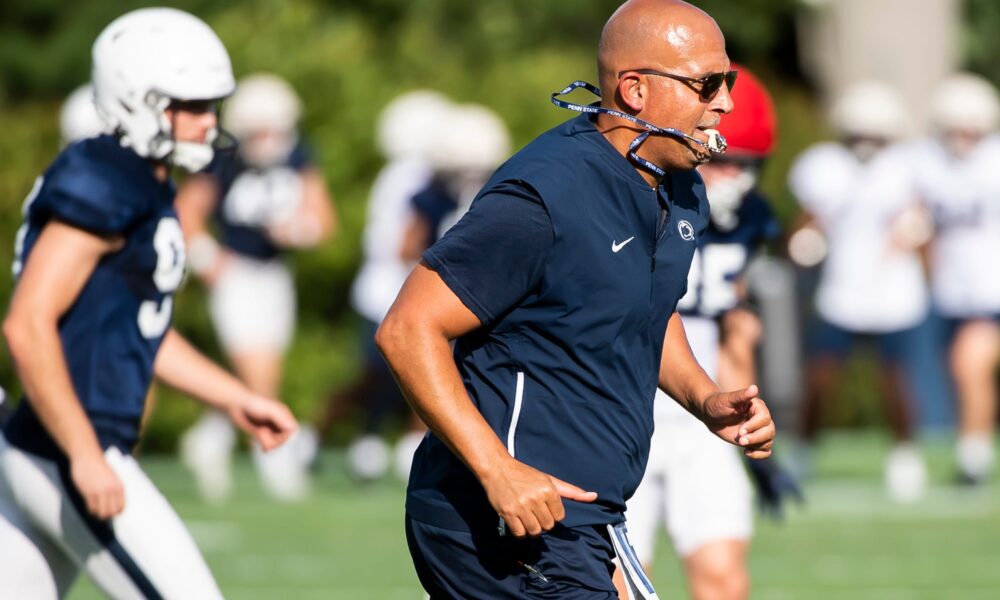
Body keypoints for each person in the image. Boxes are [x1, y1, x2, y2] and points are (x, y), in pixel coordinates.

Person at [376, 1, 775, 597]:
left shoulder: (683, 186)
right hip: (499, 520)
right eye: (707, 84)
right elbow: (407, 329)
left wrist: (705, 397)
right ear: (635, 90)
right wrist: (497, 468)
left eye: (728, 82)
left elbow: (645, 309)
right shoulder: (545, 195)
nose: (725, 103)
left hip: (585, 519)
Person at [0, 9, 297, 598]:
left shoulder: (143, 179)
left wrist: (235, 397)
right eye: (193, 106)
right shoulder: (105, 178)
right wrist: (84, 453)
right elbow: (27, 323)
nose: (209, 122)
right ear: (139, 99)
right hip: (68, 444)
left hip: (54, 445)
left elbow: (138, 328)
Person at [625, 64, 783, 600]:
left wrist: (751, 436)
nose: (728, 176)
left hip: (705, 413)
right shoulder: (638, 199)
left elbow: (737, 331)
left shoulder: (751, 222)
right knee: (617, 581)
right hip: (629, 402)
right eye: (721, 158)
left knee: (724, 579)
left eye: (742, 164)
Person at [175, 73, 335, 503]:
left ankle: (209, 436)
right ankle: (274, 455)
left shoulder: (299, 155)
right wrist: (208, 258)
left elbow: (323, 219)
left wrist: (299, 229)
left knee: (266, 370)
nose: (270, 139)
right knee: (258, 372)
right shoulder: (223, 158)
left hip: (275, 274)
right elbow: (186, 213)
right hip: (238, 274)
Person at [788, 81, 930, 502]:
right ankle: (803, 451)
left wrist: (915, 236)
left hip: (894, 292)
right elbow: (806, 223)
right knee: (820, 378)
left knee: (896, 382)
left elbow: (922, 223)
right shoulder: (825, 165)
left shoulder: (908, 167)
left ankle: (905, 455)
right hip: (842, 290)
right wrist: (805, 241)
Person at [319, 90, 454, 481]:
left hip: (394, 283)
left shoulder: (406, 175)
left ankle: (391, 441)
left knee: (395, 371)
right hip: (390, 287)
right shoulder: (409, 177)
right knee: (380, 375)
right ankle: (355, 438)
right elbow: (402, 245)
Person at [909, 73, 1000, 485]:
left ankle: (973, 456)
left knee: (969, 365)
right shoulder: (927, 162)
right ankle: (974, 448)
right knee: (963, 370)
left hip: (990, 289)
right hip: (952, 291)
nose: (962, 136)